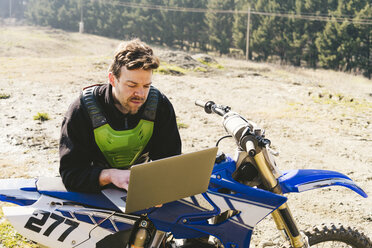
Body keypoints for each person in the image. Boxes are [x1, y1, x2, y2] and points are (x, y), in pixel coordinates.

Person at [59, 39, 182, 193]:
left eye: (146, 86)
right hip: (94, 192)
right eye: (132, 85)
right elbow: (71, 175)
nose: (140, 94)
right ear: (112, 79)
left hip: (138, 190)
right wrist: (109, 176)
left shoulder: (160, 106)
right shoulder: (82, 109)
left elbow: (169, 163)